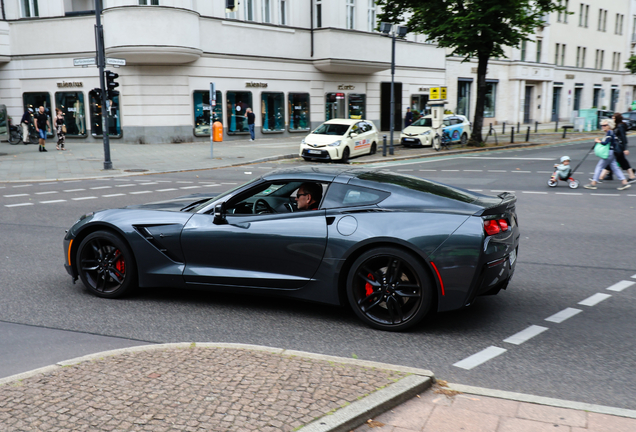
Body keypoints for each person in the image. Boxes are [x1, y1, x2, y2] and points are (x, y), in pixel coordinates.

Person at [584, 119, 631, 190]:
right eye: (602, 125)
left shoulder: (609, 132)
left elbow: (606, 143)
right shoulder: (611, 132)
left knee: (599, 167)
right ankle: (624, 182)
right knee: (615, 167)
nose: (603, 127)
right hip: (612, 153)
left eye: (605, 125)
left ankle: (593, 183)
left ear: (609, 126)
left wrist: (598, 141)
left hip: (608, 153)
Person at [597, 113, 636, 183]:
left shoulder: (620, 126)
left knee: (612, 161)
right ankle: (631, 176)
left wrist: (625, 148)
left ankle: (600, 177)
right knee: (621, 161)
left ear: (617, 119)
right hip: (617, 147)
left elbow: (623, 138)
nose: (612, 119)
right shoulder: (617, 126)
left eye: (614, 118)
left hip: (619, 147)